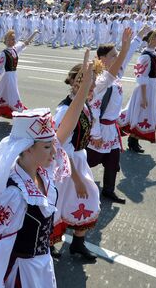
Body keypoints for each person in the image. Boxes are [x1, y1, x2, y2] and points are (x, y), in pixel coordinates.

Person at [0, 52, 94, 288]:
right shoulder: (15, 193)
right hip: (21, 270)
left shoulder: (42, 172)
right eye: (47, 147)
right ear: (27, 149)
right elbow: (5, 245)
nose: (54, 151)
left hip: (41, 263)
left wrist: (85, 86)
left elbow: (67, 125)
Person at [50, 57, 104, 262]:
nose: (92, 90)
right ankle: (50, 243)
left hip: (79, 159)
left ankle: (77, 244)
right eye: (88, 85)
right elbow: (60, 146)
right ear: (75, 83)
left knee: (83, 201)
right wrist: (77, 178)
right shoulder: (65, 109)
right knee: (59, 204)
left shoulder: (84, 104)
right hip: (66, 164)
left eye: (93, 86)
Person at [87, 27, 145, 204]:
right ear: (102, 59)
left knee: (112, 161)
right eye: (113, 55)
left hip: (111, 129)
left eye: (116, 55)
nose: (117, 57)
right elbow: (94, 109)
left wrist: (138, 38)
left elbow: (125, 58)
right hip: (100, 130)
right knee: (88, 160)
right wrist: (95, 134)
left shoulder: (113, 75)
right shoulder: (100, 80)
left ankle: (108, 190)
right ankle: (74, 183)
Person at [119, 27, 156, 153]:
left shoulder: (155, 52)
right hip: (145, 89)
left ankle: (134, 140)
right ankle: (132, 141)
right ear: (151, 39)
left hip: (151, 87)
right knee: (140, 113)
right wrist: (144, 97)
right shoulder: (145, 56)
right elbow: (141, 78)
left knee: (141, 114)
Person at [0, 29, 39, 121]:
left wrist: (34, 33)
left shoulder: (15, 49)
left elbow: (26, 43)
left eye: (14, 39)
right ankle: (19, 113)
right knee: (13, 95)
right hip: (7, 77)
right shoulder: (4, 53)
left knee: (1, 96)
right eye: (10, 39)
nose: (13, 41)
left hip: (13, 76)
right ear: (6, 41)